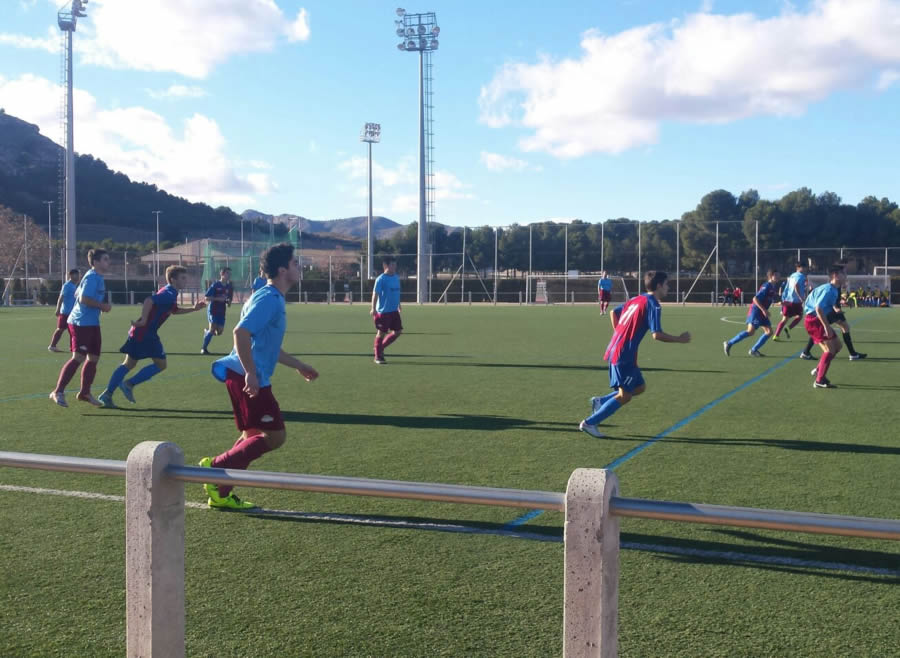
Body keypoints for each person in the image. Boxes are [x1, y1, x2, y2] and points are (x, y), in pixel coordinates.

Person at [199, 243, 319, 510]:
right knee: (275, 437)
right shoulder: (268, 298)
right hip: (245, 374)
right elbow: (240, 333)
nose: (299, 268)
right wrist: (251, 373)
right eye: (295, 263)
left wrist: (298, 364)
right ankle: (214, 467)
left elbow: (267, 346)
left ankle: (221, 492)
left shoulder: (271, 297)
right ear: (282, 269)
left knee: (252, 434)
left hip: (245, 373)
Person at [579, 271, 690, 438]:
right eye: (667, 284)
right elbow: (656, 334)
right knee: (625, 395)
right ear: (659, 285)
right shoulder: (654, 304)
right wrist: (680, 339)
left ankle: (600, 402)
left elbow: (613, 313)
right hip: (624, 354)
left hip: (618, 349)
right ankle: (590, 422)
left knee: (639, 387)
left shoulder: (637, 298)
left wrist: (621, 335)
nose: (668, 287)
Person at [97, 266, 206, 408]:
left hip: (140, 332)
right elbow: (149, 300)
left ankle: (107, 394)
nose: (186, 280)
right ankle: (128, 384)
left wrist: (193, 308)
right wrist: (143, 320)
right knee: (160, 364)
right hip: (145, 333)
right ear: (173, 280)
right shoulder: (168, 293)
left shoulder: (171, 292)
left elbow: (174, 310)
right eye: (183, 278)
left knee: (129, 363)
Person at [49, 249, 111, 407]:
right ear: (96, 262)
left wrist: (98, 308)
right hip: (80, 323)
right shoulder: (92, 277)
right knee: (78, 357)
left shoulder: (96, 277)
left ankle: (84, 393)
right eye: (105, 259)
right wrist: (101, 305)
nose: (108, 262)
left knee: (93, 358)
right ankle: (58, 391)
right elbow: (83, 298)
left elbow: (77, 293)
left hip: (92, 323)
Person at [804, 265, 847, 388]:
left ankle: (819, 369)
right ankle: (819, 380)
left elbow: (827, 304)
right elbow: (818, 308)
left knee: (838, 346)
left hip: (816, 319)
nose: (846, 276)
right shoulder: (828, 290)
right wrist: (827, 327)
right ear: (835, 275)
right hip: (814, 320)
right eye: (843, 274)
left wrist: (837, 308)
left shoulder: (833, 289)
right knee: (830, 350)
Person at [723, 269, 779, 357]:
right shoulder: (766, 286)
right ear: (770, 276)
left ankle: (754, 350)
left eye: (778, 275)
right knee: (750, 331)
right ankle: (729, 343)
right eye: (776, 275)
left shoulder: (773, 287)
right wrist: (764, 310)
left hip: (762, 312)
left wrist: (775, 305)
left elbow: (767, 300)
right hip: (756, 311)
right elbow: (755, 299)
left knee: (769, 332)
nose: (778, 277)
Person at [370, 256, 402, 364]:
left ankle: (380, 347)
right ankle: (378, 357)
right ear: (385, 266)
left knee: (398, 332)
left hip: (394, 311)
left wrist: (399, 304)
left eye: (395, 265)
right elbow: (375, 294)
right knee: (381, 333)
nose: (394, 267)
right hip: (383, 312)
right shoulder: (381, 279)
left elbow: (396, 292)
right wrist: (373, 308)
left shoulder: (396, 277)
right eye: (392, 265)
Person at [201, 267, 233, 355]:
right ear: (222, 274)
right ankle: (204, 349)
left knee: (219, 332)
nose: (229, 275)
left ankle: (207, 332)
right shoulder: (215, 285)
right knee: (212, 329)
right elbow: (206, 297)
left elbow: (228, 300)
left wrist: (228, 302)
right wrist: (218, 299)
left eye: (230, 274)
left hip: (222, 311)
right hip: (213, 310)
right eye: (227, 273)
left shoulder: (229, 286)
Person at [773, 262, 808, 340]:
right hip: (796, 301)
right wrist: (801, 298)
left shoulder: (792, 275)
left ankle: (776, 335)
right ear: (799, 268)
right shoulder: (801, 276)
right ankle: (788, 328)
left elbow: (788, 286)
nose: (805, 269)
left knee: (784, 319)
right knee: (799, 316)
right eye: (804, 267)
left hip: (788, 300)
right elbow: (796, 286)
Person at [48, 269, 80, 352]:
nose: (78, 277)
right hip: (65, 312)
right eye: (76, 275)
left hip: (72, 313)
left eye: (78, 275)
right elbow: (61, 298)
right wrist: (57, 309)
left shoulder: (74, 286)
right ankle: (52, 346)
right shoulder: (67, 285)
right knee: (60, 329)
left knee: (73, 331)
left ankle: (73, 348)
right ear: (71, 275)